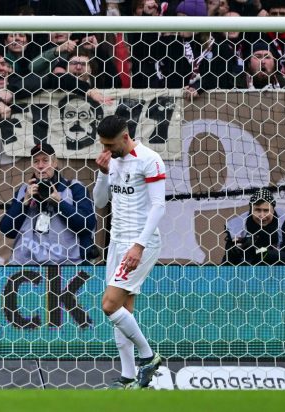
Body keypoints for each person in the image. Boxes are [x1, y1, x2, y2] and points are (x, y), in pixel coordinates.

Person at [93, 115, 166, 389]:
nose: (107, 150)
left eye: (110, 145)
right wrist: (102, 174)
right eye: (103, 145)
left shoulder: (149, 159)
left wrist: (138, 245)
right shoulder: (110, 161)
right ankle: (128, 377)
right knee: (123, 312)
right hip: (116, 241)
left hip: (139, 244)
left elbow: (159, 206)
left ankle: (148, 357)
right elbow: (100, 202)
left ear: (125, 137)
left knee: (109, 305)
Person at [0, 143, 96, 265]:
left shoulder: (74, 188)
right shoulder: (24, 190)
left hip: (66, 265)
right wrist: (24, 203)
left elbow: (87, 225)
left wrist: (59, 203)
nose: (40, 166)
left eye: (45, 161)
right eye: (36, 161)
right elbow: (7, 230)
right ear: (32, 165)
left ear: (55, 163)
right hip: (25, 265)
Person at [224, 188, 285, 265]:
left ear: (273, 210)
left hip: (276, 270)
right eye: (258, 210)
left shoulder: (284, 222)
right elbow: (227, 260)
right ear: (251, 210)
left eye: (266, 210)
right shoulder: (237, 225)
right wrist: (235, 251)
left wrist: (259, 251)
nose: (262, 216)